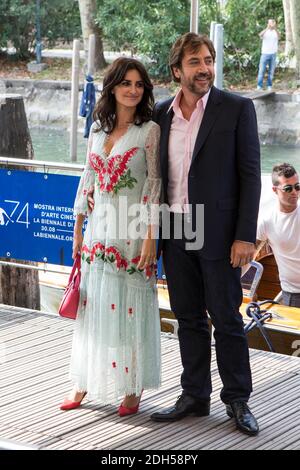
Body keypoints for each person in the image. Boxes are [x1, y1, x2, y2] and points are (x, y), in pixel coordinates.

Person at [150, 33, 261, 436]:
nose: (205, 68)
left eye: (209, 59)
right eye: (195, 61)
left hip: (218, 232)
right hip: (175, 228)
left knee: (227, 318)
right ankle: (194, 395)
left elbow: (250, 176)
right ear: (177, 70)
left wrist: (244, 236)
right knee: (188, 318)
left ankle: (237, 400)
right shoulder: (161, 114)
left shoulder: (236, 109)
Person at [60, 57, 162, 416]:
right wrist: (77, 229)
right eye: (126, 84)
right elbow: (86, 180)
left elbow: (153, 185)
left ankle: (132, 388)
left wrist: (151, 237)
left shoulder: (148, 131)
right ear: (113, 87)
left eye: (139, 84)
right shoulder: (96, 131)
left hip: (132, 230)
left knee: (130, 309)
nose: (133, 90)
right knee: (95, 306)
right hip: (97, 230)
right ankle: (83, 380)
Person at [257, 163, 300, 307]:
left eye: (297, 186)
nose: (294, 192)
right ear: (275, 190)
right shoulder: (266, 221)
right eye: (288, 188)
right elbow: (249, 254)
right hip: (292, 294)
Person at [257, 19, 280, 91]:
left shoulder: (276, 32)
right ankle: (259, 86)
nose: (272, 24)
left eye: (273, 23)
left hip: (273, 54)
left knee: (271, 71)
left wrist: (275, 28)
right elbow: (260, 35)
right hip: (265, 54)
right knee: (261, 70)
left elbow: (279, 36)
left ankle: (269, 86)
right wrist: (267, 28)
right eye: (270, 23)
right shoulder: (265, 32)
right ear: (268, 23)